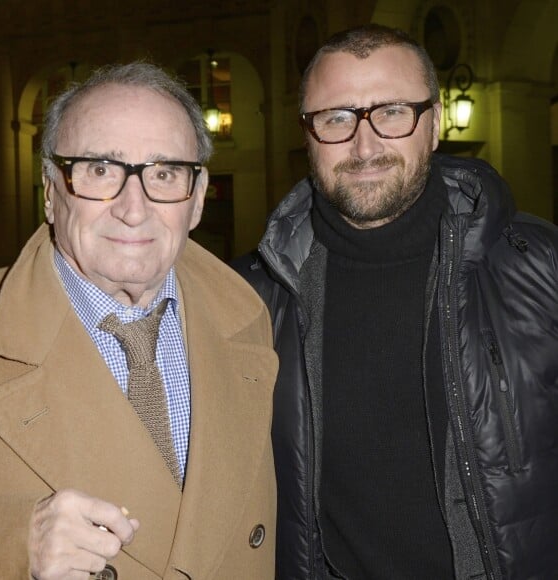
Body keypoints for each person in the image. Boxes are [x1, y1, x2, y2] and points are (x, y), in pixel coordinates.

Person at [233, 24, 558, 580]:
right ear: (306, 134)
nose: (364, 146)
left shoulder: (541, 267)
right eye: (336, 118)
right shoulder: (250, 299)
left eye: (392, 112)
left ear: (432, 125)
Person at [0, 62, 278, 580]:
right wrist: (8, 543)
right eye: (100, 170)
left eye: (164, 173)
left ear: (198, 198)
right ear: (52, 191)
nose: (133, 208)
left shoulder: (253, 317)